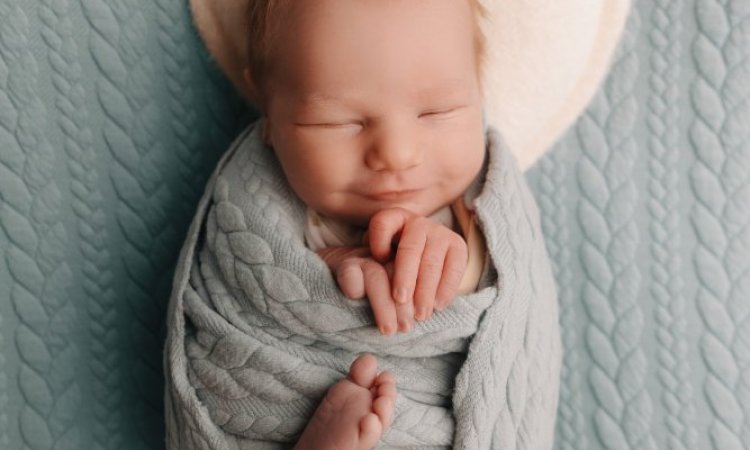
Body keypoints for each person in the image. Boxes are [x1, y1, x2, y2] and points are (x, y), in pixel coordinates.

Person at [165, 0, 561, 448]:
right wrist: (330, 266)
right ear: (269, 113)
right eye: (340, 121)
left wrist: (457, 261)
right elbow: (253, 298)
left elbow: (505, 315)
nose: (396, 152)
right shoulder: (263, 213)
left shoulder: (480, 211)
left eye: (437, 112)